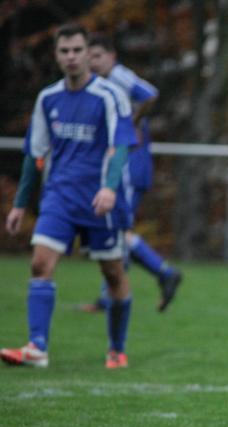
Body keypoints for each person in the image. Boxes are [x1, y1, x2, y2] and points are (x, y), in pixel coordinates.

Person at [1, 23, 137, 369]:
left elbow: (120, 146)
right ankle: (37, 347)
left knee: (113, 275)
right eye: (65, 51)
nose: (72, 57)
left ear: (88, 54)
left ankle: (117, 348)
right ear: (57, 55)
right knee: (40, 263)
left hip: (100, 202)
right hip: (59, 196)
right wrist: (20, 204)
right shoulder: (48, 98)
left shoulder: (109, 96)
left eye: (78, 50)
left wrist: (108, 187)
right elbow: (35, 153)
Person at [83, 33, 182, 313]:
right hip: (124, 165)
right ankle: (117, 293)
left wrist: (133, 122)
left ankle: (161, 274)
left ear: (112, 56)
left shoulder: (118, 76)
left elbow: (150, 94)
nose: (93, 61)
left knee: (116, 230)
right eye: (89, 57)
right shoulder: (98, 85)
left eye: (98, 56)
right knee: (115, 231)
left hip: (130, 165)